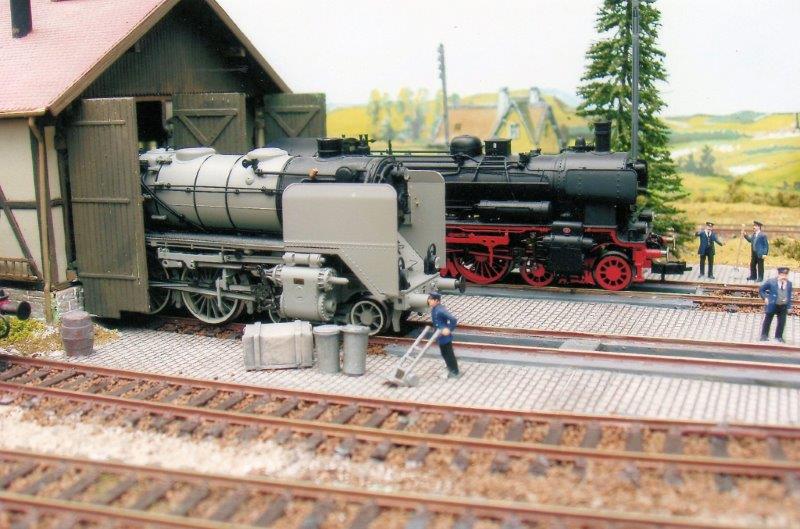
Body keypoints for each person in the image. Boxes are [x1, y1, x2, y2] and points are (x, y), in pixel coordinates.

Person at [427, 291, 460, 378]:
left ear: (437, 301)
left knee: (448, 353)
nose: (429, 301)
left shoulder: (440, 310)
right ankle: (450, 367)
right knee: (444, 353)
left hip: (444, 337)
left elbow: (453, 319)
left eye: (431, 299)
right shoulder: (435, 309)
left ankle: (454, 371)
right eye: (429, 299)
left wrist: (448, 329)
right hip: (439, 336)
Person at [758, 267, 792, 343]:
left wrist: (789, 306)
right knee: (768, 320)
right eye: (782, 274)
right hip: (772, 304)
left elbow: (789, 295)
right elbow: (761, 290)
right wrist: (765, 298)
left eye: (786, 275)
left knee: (782, 322)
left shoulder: (789, 284)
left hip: (783, 305)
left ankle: (779, 336)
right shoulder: (772, 282)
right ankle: (764, 335)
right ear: (779, 274)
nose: (784, 277)